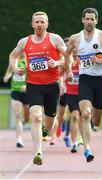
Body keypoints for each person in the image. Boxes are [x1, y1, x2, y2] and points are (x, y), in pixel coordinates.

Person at [9, 11, 66, 165]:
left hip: (52, 86)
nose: (39, 24)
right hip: (34, 85)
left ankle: (46, 131)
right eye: (37, 22)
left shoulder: (55, 39)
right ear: (32, 24)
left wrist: (57, 63)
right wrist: (15, 68)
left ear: (47, 24)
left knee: (49, 123)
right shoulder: (24, 42)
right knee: (36, 117)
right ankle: (38, 153)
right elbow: (13, 56)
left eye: (42, 22)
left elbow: (69, 57)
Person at [65, 7, 102, 162]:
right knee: (85, 113)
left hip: (101, 80)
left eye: (92, 19)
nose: (89, 22)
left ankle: (92, 128)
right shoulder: (75, 38)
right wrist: (69, 69)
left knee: (96, 120)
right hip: (85, 79)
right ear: (82, 20)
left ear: (97, 20)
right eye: (87, 19)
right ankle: (87, 149)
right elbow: (67, 54)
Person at [3, 53, 29, 148]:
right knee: (18, 115)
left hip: (27, 92)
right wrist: (7, 77)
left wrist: (27, 86)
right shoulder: (14, 61)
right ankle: (19, 139)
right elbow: (9, 71)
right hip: (15, 91)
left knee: (26, 118)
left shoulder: (28, 61)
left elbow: (33, 76)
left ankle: (22, 124)